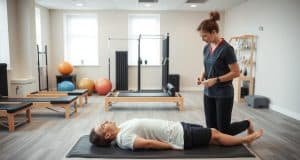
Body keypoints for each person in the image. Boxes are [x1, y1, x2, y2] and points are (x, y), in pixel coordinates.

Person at [197, 11, 248, 135]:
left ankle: (247, 124)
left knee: (223, 131)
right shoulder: (206, 48)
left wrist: (215, 80)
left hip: (224, 93)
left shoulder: (227, 49)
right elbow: (208, 65)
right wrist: (201, 75)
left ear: (214, 32)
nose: (203, 39)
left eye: (205, 36)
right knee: (212, 130)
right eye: (201, 36)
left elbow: (236, 72)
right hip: (208, 92)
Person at [89, 118, 263, 150]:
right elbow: (147, 143)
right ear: (107, 136)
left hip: (178, 126)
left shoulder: (121, 127)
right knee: (215, 134)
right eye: (103, 126)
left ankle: (246, 124)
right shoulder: (122, 138)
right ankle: (245, 139)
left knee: (213, 133)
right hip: (179, 137)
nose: (105, 122)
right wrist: (171, 146)